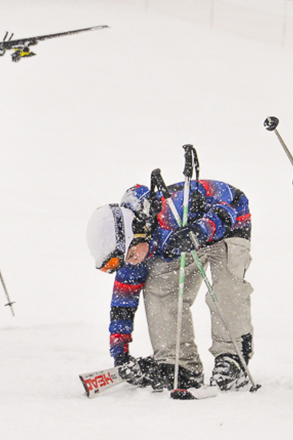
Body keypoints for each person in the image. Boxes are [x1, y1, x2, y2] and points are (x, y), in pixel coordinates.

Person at [87, 162, 253, 392]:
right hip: (178, 242)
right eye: (128, 258)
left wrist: (200, 231)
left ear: (138, 232)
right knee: (158, 288)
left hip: (228, 225)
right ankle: (179, 365)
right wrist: (120, 354)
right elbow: (122, 303)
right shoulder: (133, 254)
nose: (133, 260)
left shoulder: (172, 209)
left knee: (225, 289)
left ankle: (232, 359)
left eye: (132, 253)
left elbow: (227, 208)